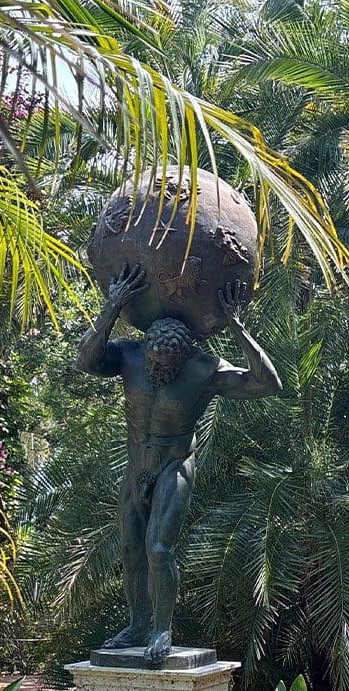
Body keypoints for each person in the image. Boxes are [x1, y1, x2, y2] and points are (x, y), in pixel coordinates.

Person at [76, 263, 282, 662]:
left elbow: (269, 383)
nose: (158, 368)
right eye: (154, 360)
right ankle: (137, 623)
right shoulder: (129, 355)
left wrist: (237, 325)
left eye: (167, 364)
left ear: (184, 354)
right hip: (136, 468)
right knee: (131, 550)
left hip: (174, 466)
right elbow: (84, 361)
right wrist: (112, 306)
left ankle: (161, 629)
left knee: (158, 548)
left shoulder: (205, 370)